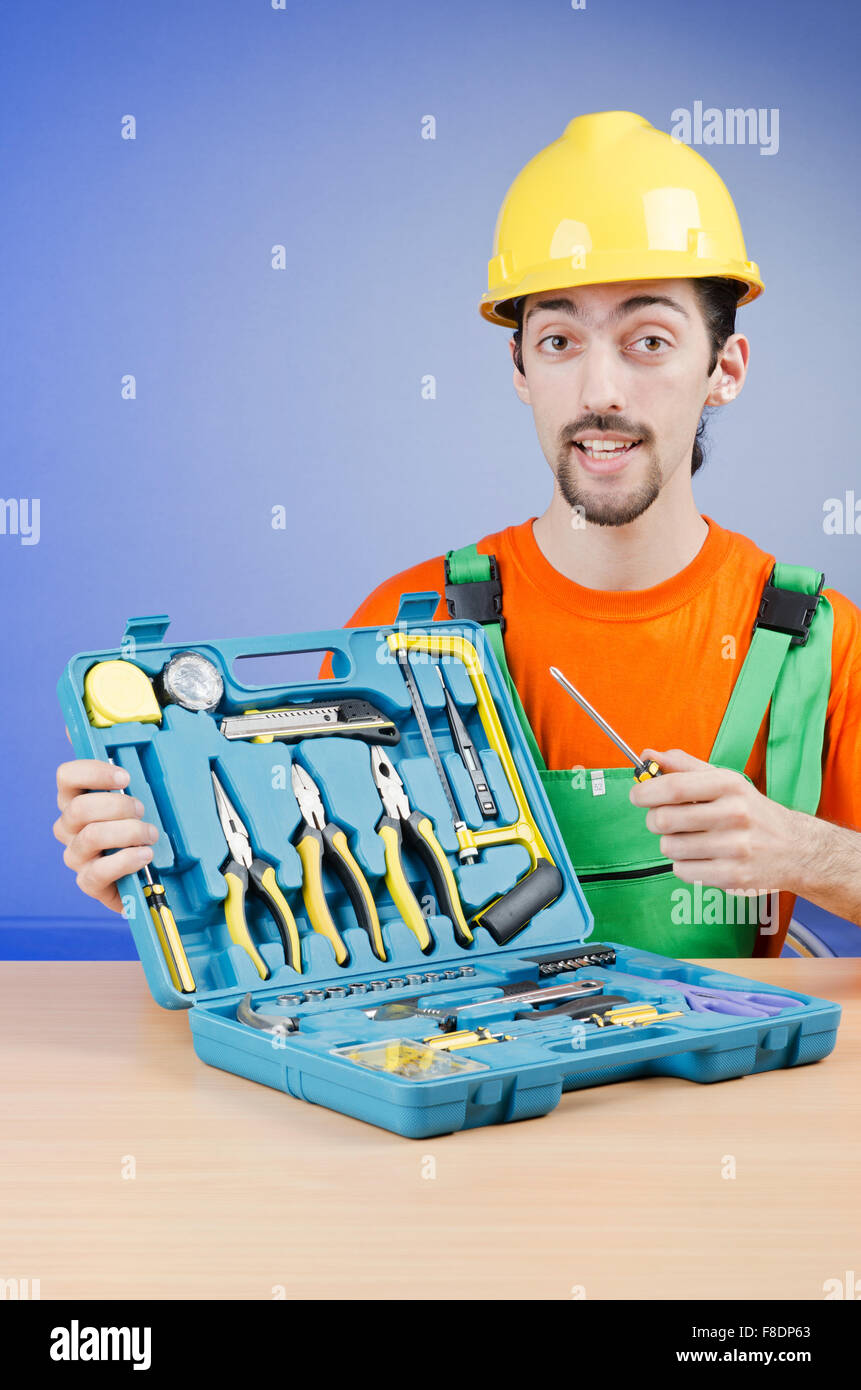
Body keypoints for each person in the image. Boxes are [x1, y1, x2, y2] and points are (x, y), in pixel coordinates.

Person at [54, 111, 861, 957]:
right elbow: (328, 899)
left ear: (722, 370)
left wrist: (809, 853)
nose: (600, 389)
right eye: (557, 341)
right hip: (476, 1080)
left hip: (726, 1085)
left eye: (648, 341)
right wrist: (159, 871)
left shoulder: (819, 644)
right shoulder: (406, 619)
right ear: (520, 370)